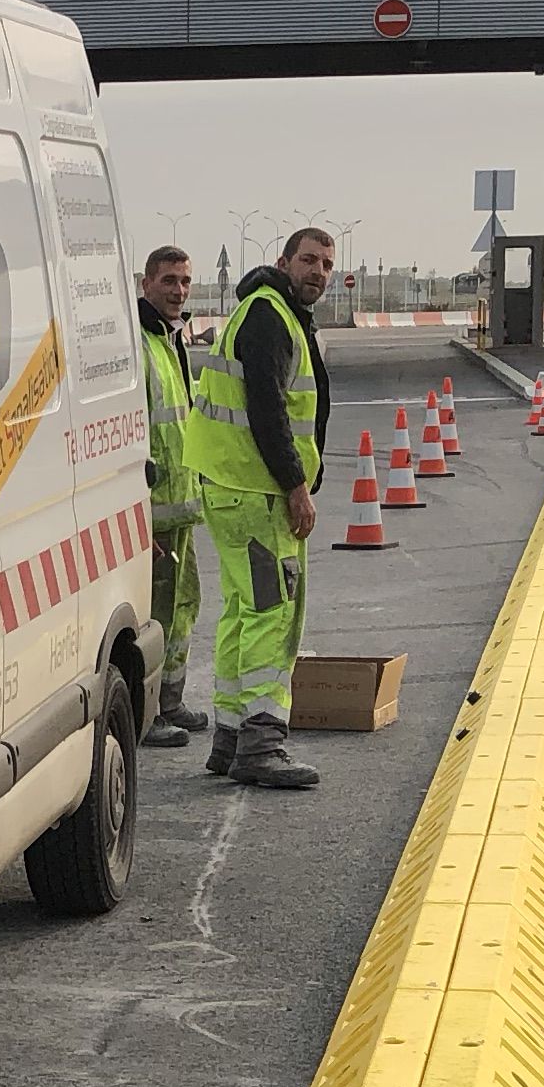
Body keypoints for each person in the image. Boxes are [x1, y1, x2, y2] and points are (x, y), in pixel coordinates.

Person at [190, 224, 337, 791]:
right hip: (256, 492)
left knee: (243, 610)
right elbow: (267, 411)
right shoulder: (271, 316)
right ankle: (261, 741)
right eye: (309, 260)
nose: (318, 272)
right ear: (284, 260)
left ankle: (229, 739)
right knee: (274, 613)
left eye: (326, 264)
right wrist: (296, 486)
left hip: (231, 486)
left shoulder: (266, 312)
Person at [134, 244, 205, 746]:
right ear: (146, 285)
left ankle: (171, 700)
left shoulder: (170, 340)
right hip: (154, 516)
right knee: (153, 616)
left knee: (183, 607)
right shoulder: (140, 344)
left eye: (184, 281)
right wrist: (138, 521)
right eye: (168, 281)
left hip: (181, 508)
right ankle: (149, 713)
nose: (178, 291)